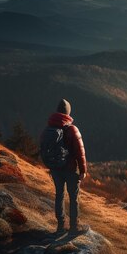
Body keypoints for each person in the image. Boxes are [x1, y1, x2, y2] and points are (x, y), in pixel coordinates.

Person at [42, 99, 88, 235]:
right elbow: (80, 152)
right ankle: (74, 227)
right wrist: (83, 170)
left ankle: (60, 227)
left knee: (59, 196)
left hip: (55, 169)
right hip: (70, 169)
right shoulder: (72, 129)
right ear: (68, 113)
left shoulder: (49, 128)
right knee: (73, 198)